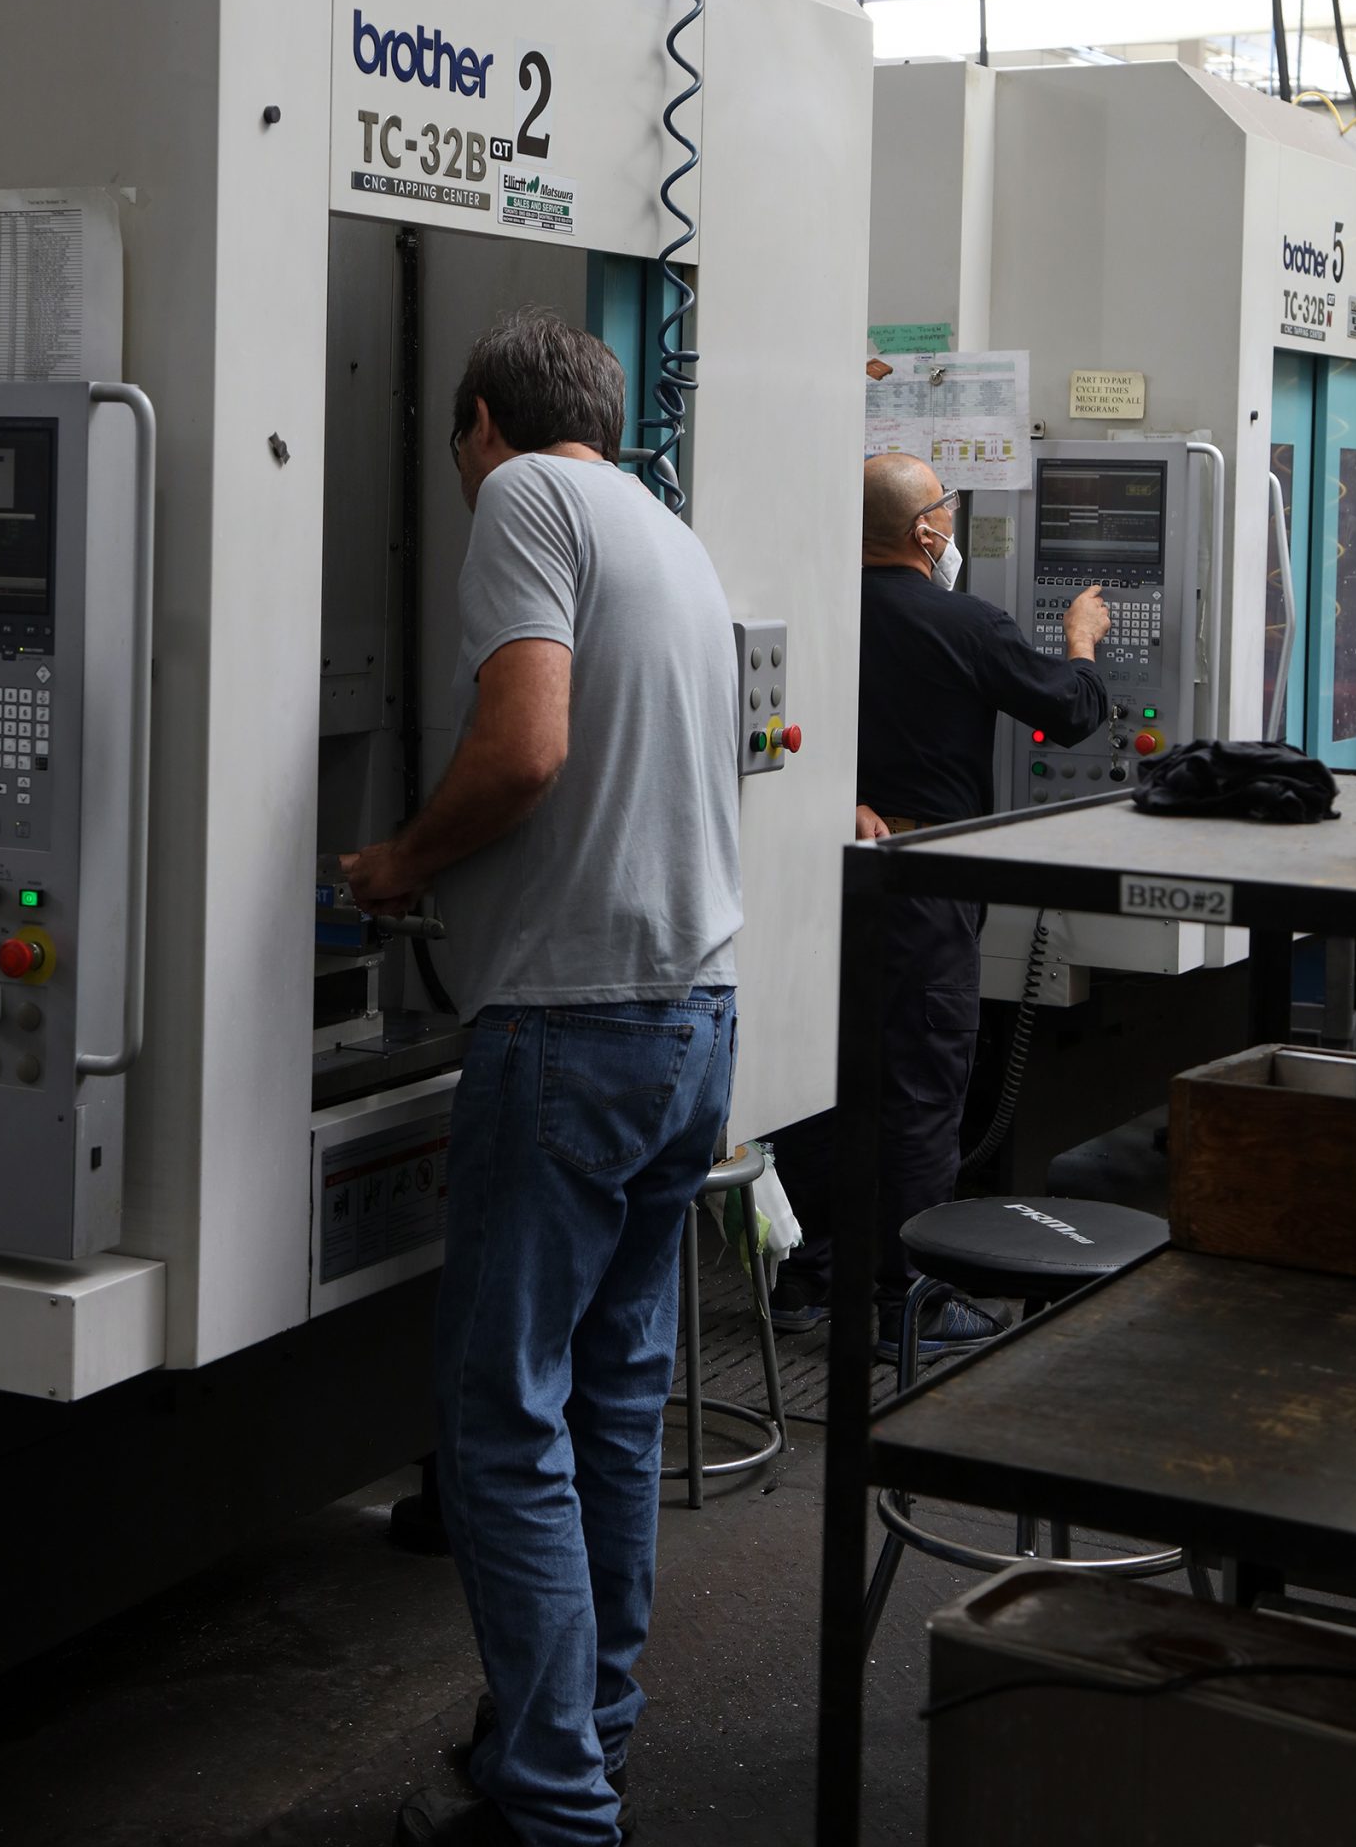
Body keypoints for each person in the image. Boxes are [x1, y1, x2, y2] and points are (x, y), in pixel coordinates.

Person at [343, 307, 742, 1847]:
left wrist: (395, 862)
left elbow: (521, 751)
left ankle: (552, 1805)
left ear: (478, 426)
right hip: (687, 1022)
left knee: (500, 1421)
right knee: (608, 1409)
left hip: (569, 1031)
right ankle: (575, 1743)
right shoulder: (664, 524)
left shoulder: (521, 499)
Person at [772, 451, 1110, 1357]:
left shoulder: (814, 617)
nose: (953, 522)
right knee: (919, 1087)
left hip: (817, 876)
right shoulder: (966, 624)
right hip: (922, 882)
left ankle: (803, 1276)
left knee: (817, 1079)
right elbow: (1071, 712)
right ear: (925, 531)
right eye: (947, 509)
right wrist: (1081, 636)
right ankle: (906, 1302)